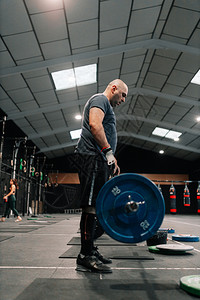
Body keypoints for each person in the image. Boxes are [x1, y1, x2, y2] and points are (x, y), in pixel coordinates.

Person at [75, 79, 128, 273]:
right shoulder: (100, 99)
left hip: (99, 159)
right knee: (90, 206)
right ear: (114, 88)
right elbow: (95, 125)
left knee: (96, 206)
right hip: (92, 157)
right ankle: (84, 255)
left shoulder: (108, 107)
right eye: (123, 95)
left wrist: (111, 159)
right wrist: (108, 152)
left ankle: (91, 250)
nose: (123, 100)